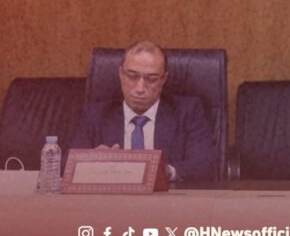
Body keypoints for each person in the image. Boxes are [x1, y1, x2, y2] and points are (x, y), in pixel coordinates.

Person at [70, 40, 218, 182]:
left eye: (151, 79)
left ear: (163, 79)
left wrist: (164, 171)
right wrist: (89, 161)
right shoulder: (96, 114)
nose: (140, 88)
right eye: (132, 76)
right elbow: (66, 164)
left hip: (166, 203)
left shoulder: (188, 111)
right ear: (121, 74)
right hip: (112, 202)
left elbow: (205, 165)